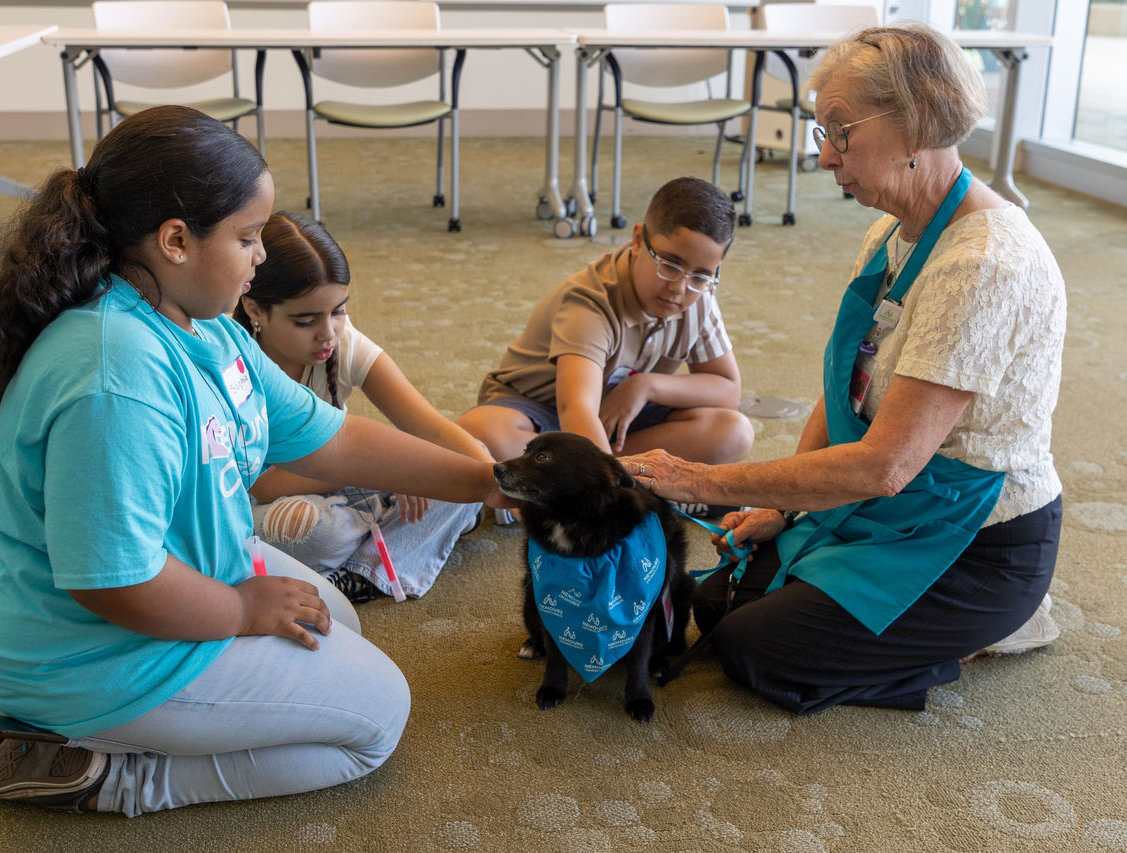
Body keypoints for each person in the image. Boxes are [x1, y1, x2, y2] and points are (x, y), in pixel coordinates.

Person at [0, 106, 508, 816]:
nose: (261, 257)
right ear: (175, 241)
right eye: (247, 238)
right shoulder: (117, 375)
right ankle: (104, 769)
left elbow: (335, 439)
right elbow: (116, 582)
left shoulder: (202, 326)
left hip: (145, 591)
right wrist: (241, 608)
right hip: (97, 645)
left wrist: (489, 481)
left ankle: (39, 711)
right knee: (377, 721)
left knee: (339, 622)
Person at [622, 23, 1065, 715]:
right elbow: (846, 389)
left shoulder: (981, 264)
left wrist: (704, 480)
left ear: (915, 125)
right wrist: (779, 504)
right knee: (716, 599)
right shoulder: (890, 230)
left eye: (840, 131)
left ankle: (994, 626)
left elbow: (882, 466)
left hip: (978, 542)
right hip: (892, 507)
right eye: (819, 128)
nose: (824, 156)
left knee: (753, 650)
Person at [456, 177, 754, 518]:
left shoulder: (699, 298)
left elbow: (727, 390)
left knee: (733, 432)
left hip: (617, 421)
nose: (680, 288)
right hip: (540, 413)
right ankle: (637, 489)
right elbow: (576, 408)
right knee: (480, 431)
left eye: (701, 276)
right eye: (669, 265)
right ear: (639, 240)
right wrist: (608, 496)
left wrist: (645, 385)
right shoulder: (591, 300)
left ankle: (564, 491)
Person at [234, 211, 492, 602]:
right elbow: (264, 484)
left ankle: (360, 571)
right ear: (254, 309)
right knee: (314, 533)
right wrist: (390, 474)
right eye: (305, 321)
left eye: (338, 311)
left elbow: (431, 427)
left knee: (466, 472)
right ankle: (380, 541)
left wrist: (494, 479)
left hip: (344, 483)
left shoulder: (343, 340)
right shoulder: (233, 361)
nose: (328, 333)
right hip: (270, 501)